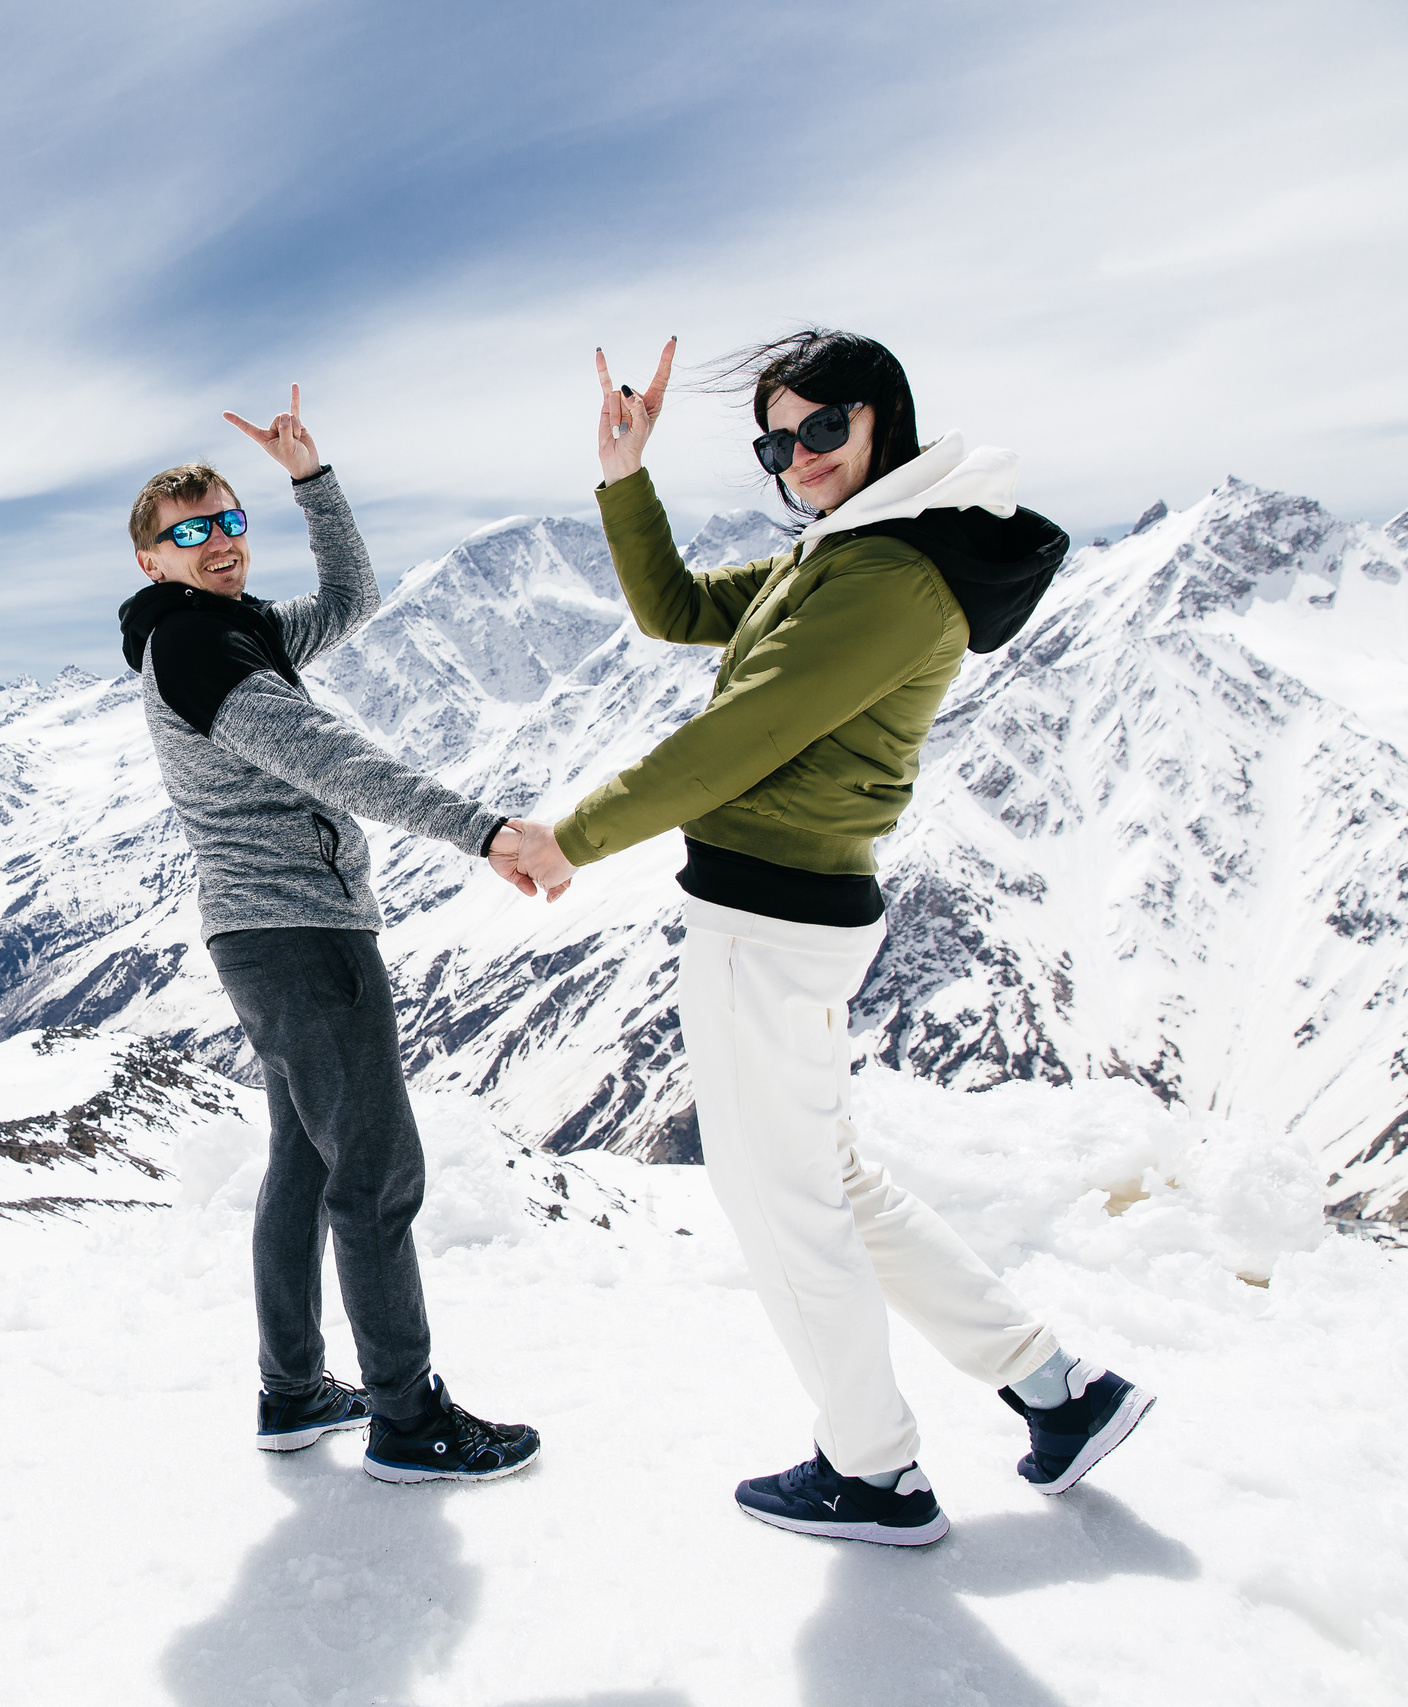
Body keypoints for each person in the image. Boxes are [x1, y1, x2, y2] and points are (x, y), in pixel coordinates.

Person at [503, 331, 1154, 1545]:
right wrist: (624, 476)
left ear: (883, 421)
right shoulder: (846, 551)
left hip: (767, 920)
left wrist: (569, 838)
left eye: (819, 429)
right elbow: (678, 610)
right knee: (832, 1182)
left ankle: (873, 1474)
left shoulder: (889, 578)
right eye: (775, 440)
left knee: (779, 1201)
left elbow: (735, 742)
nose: (796, 458)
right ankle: (1057, 1390)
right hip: (788, 910)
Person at [119, 385, 540, 1484]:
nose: (219, 545)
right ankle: (407, 1419)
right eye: (191, 534)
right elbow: (334, 763)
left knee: (305, 1164)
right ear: (151, 559)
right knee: (377, 1175)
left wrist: (310, 479)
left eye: (229, 523)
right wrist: (480, 831)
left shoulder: (229, 630)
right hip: (302, 935)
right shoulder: (204, 654)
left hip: (265, 932)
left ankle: (294, 1388)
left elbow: (351, 595)